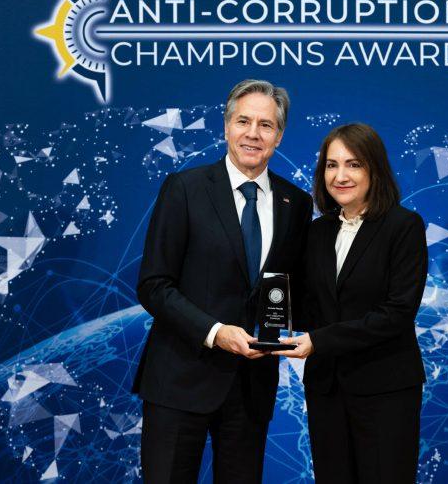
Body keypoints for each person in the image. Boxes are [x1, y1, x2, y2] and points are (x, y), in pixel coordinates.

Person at [133, 79, 313, 483]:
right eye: (243, 121)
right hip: (179, 380)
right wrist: (216, 333)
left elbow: (293, 290)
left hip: (251, 389)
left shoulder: (296, 203)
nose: (253, 134)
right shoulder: (185, 188)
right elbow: (154, 285)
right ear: (226, 126)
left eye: (266, 125)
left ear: (279, 136)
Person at [274, 123, 428, 483]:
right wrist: (269, 309)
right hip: (326, 388)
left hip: (385, 389)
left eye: (353, 164)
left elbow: (397, 313)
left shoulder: (403, 226)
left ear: (375, 169)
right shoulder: (317, 232)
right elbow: (310, 305)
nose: (340, 176)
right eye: (331, 165)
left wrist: (319, 341)